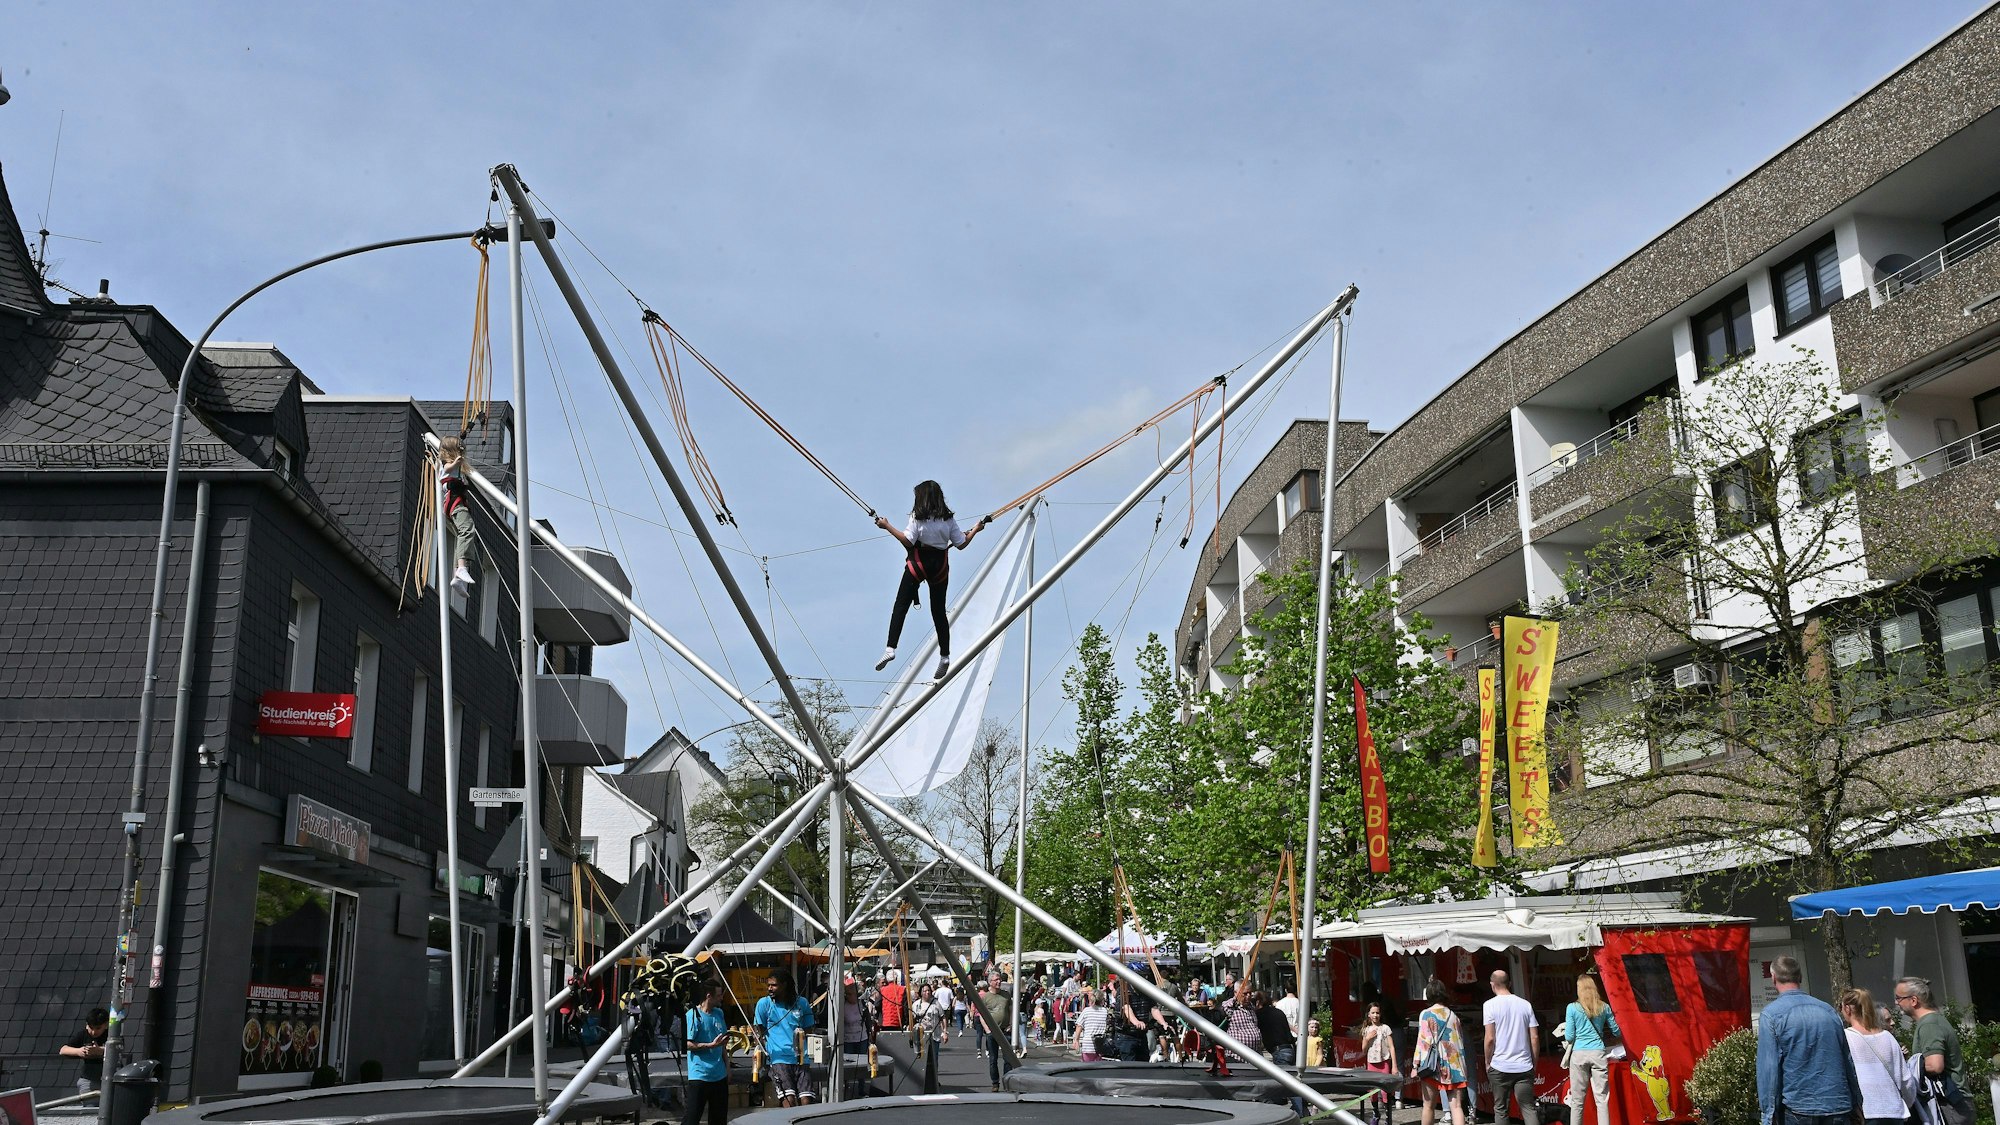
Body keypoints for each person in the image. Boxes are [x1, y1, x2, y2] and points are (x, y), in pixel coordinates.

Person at [873, 481, 989, 679]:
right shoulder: (948, 520)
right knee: (938, 612)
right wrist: (976, 529)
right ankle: (945, 656)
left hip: (918, 564)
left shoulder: (917, 517)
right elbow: (961, 544)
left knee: (901, 605)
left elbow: (908, 541)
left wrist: (886, 526)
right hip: (939, 567)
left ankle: (891, 648)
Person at [1755, 955, 1862, 1125]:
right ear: (1800, 977)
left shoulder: (1771, 1015)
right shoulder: (1828, 1011)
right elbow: (1847, 1060)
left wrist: (1769, 1113)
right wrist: (1857, 1102)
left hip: (1799, 1106)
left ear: (1773, 978)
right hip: (1837, 1103)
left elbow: (1769, 1070)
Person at [1896, 976, 1972, 1125]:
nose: (1896, 1003)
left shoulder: (1929, 1025)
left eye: (1898, 998)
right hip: (1954, 1104)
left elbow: (1935, 1066)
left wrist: (1908, 1070)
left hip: (1949, 1105)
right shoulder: (1933, 1021)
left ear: (1913, 1000)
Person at [1840, 987, 1913, 1125]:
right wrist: (1906, 1104)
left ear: (1847, 1009)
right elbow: (1906, 1079)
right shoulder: (1888, 1038)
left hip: (1866, 1111)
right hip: (1894, 1110)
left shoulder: (1845, 1038)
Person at [1484, 970, 1540, 1125]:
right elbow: (1534, 1037)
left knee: (1501, 1109)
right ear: (1510, 983)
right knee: (1528, 1108)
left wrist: (1488, 1062)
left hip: (1500, 1065)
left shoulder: (1489, 1005)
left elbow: (1490, 1038)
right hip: (1523, 1065)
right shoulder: (1525, 1005)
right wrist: (1534, 1062)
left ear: (1492, 985)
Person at [755, 973, 818, 1107]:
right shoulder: (764, 1004)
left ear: (784, 985)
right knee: (789, 1100)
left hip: (802, 1058)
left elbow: (809, 1029)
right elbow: (759, 1032)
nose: (770, 988)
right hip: (779, 1059)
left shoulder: (802, 1002)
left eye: (774, 985)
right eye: (768, 985)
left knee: (807, 1100)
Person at [1563, 974, 1620, 1125]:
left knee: (1577, 1100)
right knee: (1602, 1099)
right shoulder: (1604, 1007)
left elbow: (1569, 1037)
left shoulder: (1572, 1008)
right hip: (1598, 1053)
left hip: (1579, 1054)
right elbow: (1617, 1031)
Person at [1412, 978, 1468, 1125]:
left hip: (1433, 1064)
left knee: (1428, 1105)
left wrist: (1415, 1065)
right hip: (1454, 1064)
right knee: (1456, 1107)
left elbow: (1423, 1042)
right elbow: (1459, 1041)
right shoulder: (1453, 1015)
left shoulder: (1425, 1014)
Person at [682, 980, 733, 1125]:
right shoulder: (693, 1015)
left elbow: (722, 1044)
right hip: (700, 1075)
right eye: (718, 995)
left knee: (719, 1119)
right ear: (709, 996)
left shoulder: (719, 1013)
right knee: (692, 1118)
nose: (721, 998)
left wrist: (727, 1067)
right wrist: (710, 1045)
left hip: (719, 1075)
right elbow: (687, 1044)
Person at [438, 436, 479, 594]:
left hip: (455, 503)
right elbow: (448, 468)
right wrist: (456, 463)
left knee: (461, 536)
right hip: (454, 502)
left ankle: (457, 576)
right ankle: (461, 568)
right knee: (467, 530)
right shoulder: (446, 463)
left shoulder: (455, 468)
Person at [1360, 1001, 1398, 1125]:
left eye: (1377, 1013)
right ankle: (1376, 1112)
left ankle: (1388, 1116)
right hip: (1372, 1062)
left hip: (1384, 1062)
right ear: (1368, 1015)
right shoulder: (1366, 1030)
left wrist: (1394, 1066)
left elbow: (1391, 1047)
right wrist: (1367, 1038)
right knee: (1372, 1092)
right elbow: (1363, 1050)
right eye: (1373, 1013)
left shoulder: (1385, 1028)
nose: (1375, 1015)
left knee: (1385, 1091)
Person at [975, 979, 1016, 1091]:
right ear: (990, 982)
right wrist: (987, 1029)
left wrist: (1011, 1024)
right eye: (996, 980)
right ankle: (995, 1083)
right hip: (992, 1032)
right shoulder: (985, 997)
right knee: (993, 1059)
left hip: (1005, 1030)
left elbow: (1011, 1010)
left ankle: (1007, 1082)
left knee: (1008, 1059)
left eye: (1000, 980)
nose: (998, 982)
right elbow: (981, 1014)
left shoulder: (1006, 995)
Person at [59, 1008, 109, 1096]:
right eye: (91, 1028)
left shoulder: (111, 1035)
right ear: (86, 1025)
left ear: (105, 1025)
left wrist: (100, 1051)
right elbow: (63, 1050)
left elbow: (119, 1049)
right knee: (89, 1108)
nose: (94, 1032)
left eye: (98, 1028)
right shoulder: (83, 1034)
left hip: (110, 1079)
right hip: (89, 1080)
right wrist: (79, 1051)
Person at [1218, 980, 1265, 1062]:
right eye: (1245, 994)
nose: (1248, 996)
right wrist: (1234, 1002)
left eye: (1250, 993)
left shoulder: (1251, 1007)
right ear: (1236, 993)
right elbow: (1224, 1006)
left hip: (1255, 1057)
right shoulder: (1229, 1007)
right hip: (1237, 1058)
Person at [1255, 990, 1297, 1065]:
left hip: (1279, 1051)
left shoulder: (1259, 1014)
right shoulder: (1278, 1011)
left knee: (1281, 1076)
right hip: (1290, 1048)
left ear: (1258, 1002)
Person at [912, 982, 949, 1057]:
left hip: (934, 1037)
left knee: (934, 1059)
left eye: (928, 990)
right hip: (921, 1038)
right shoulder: (916, 1005)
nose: (927, 992)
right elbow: (912, 1020)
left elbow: (942, 1017)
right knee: (922, 1059)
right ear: (921, 993)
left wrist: (945, 1032)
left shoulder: (936, 1003)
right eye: (925, 991)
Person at [1074, 989, 1112, 1061]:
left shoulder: (1086, 1011)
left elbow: (1079, 1026)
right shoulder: (1105, 1011)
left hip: (1088, 1045)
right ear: (1102, 1000)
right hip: (1100, 1044)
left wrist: (1076, 1040)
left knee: (1087, 1069)